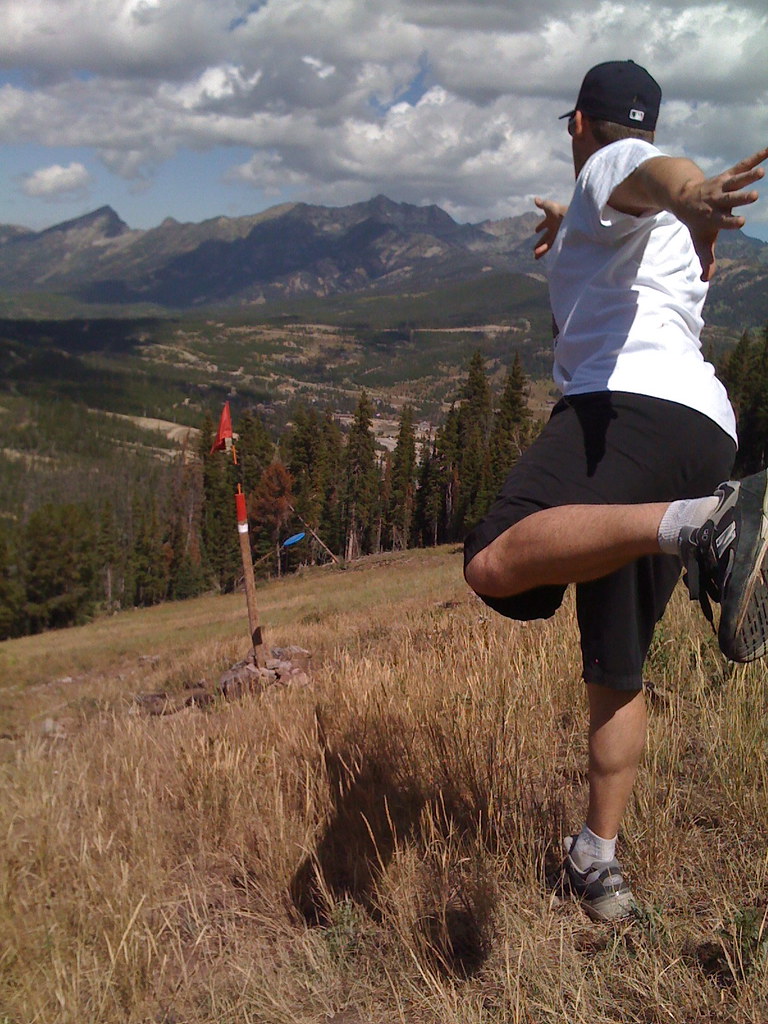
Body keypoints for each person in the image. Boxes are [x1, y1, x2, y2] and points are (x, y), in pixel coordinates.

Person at [463, 59, 768, 922]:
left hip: (623, 414)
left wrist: (689, 190)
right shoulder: (623, 215)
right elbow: (640, 200)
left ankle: (702, 525)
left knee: (491, 559)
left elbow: (645, 175)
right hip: (703, 430)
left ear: (578, 124)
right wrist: (583, 220)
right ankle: (597, 861)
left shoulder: (615, 163)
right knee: (616, 664)